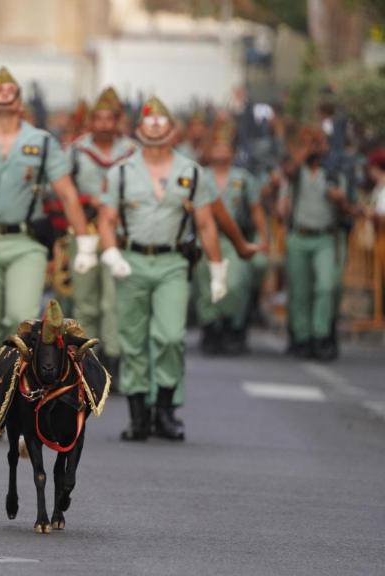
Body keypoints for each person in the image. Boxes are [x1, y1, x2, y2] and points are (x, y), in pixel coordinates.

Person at [0, 67, 93, 439]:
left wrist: (86, 242)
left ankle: (18, 402)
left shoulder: (42, 142)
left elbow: (64, 191)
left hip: (25, 242)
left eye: (10, 92)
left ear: (20, 102)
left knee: (18, 321)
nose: (3, 97)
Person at [97, 96, 226, 442]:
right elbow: (106, 219)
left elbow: (206, 224)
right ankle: (139, 415)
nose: (155, 127)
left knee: (170, 336)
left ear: (173, 130)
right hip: (132, 260)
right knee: (133, 339)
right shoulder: (121, 172)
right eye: (149, 122)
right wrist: (111, 253)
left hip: (172, 261)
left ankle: (166, 410)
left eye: (161, 122)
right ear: (138, 129)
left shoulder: (191, 172)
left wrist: (217, 268)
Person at [66, 87, 136, 386]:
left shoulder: (133, 152)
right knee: (85, 302)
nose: (104, 124)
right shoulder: (77, 151)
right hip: (84, 232)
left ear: (118, 121)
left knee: (113, 301)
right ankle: (85, 363)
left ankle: (113, 362)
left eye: (110, 119)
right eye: (99, 118)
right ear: (92, 121)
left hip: (117, 234)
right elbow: (62, 192)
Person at [278, 127, 354, 361]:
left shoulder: (333, 173)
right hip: (299, 236)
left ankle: (321, 335)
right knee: (299, 291)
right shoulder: (295, 172)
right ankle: (302, 337)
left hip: (325, 237)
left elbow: (350, 209)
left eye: (318, 143)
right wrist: (302, 152)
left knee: (325, 286)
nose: (314, 147)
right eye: (309, 143)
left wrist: (341, 201)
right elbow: (288, 171)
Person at [196, 124, 270, 355]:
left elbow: (256, 209)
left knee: (235, 283)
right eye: (216, 146)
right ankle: (210, 329)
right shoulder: (199, 176)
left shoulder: (242, 178)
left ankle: (231, 326)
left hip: (233, 238)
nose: (221, 151)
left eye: (225, 147)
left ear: (233, 152)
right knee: (206, 286)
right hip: (205, 238)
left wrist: (264, 237)